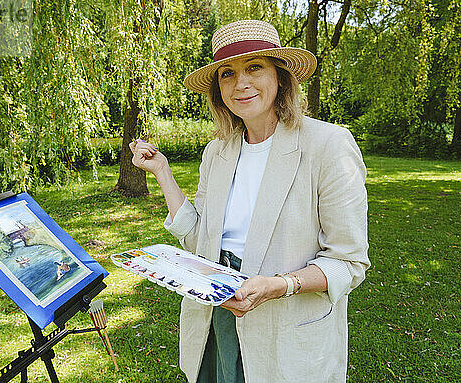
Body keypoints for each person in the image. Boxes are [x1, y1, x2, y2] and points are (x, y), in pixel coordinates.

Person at [129, 20, 369, 383]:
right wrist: (162, 171)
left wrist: (279, 285)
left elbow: (348, 262)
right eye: (227, 73)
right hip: (217, 314)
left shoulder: (328, 145)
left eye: (254, 67)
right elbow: (200, 241)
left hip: (284, 325)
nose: (240, 83)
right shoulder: (217, 151)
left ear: (281, 78)